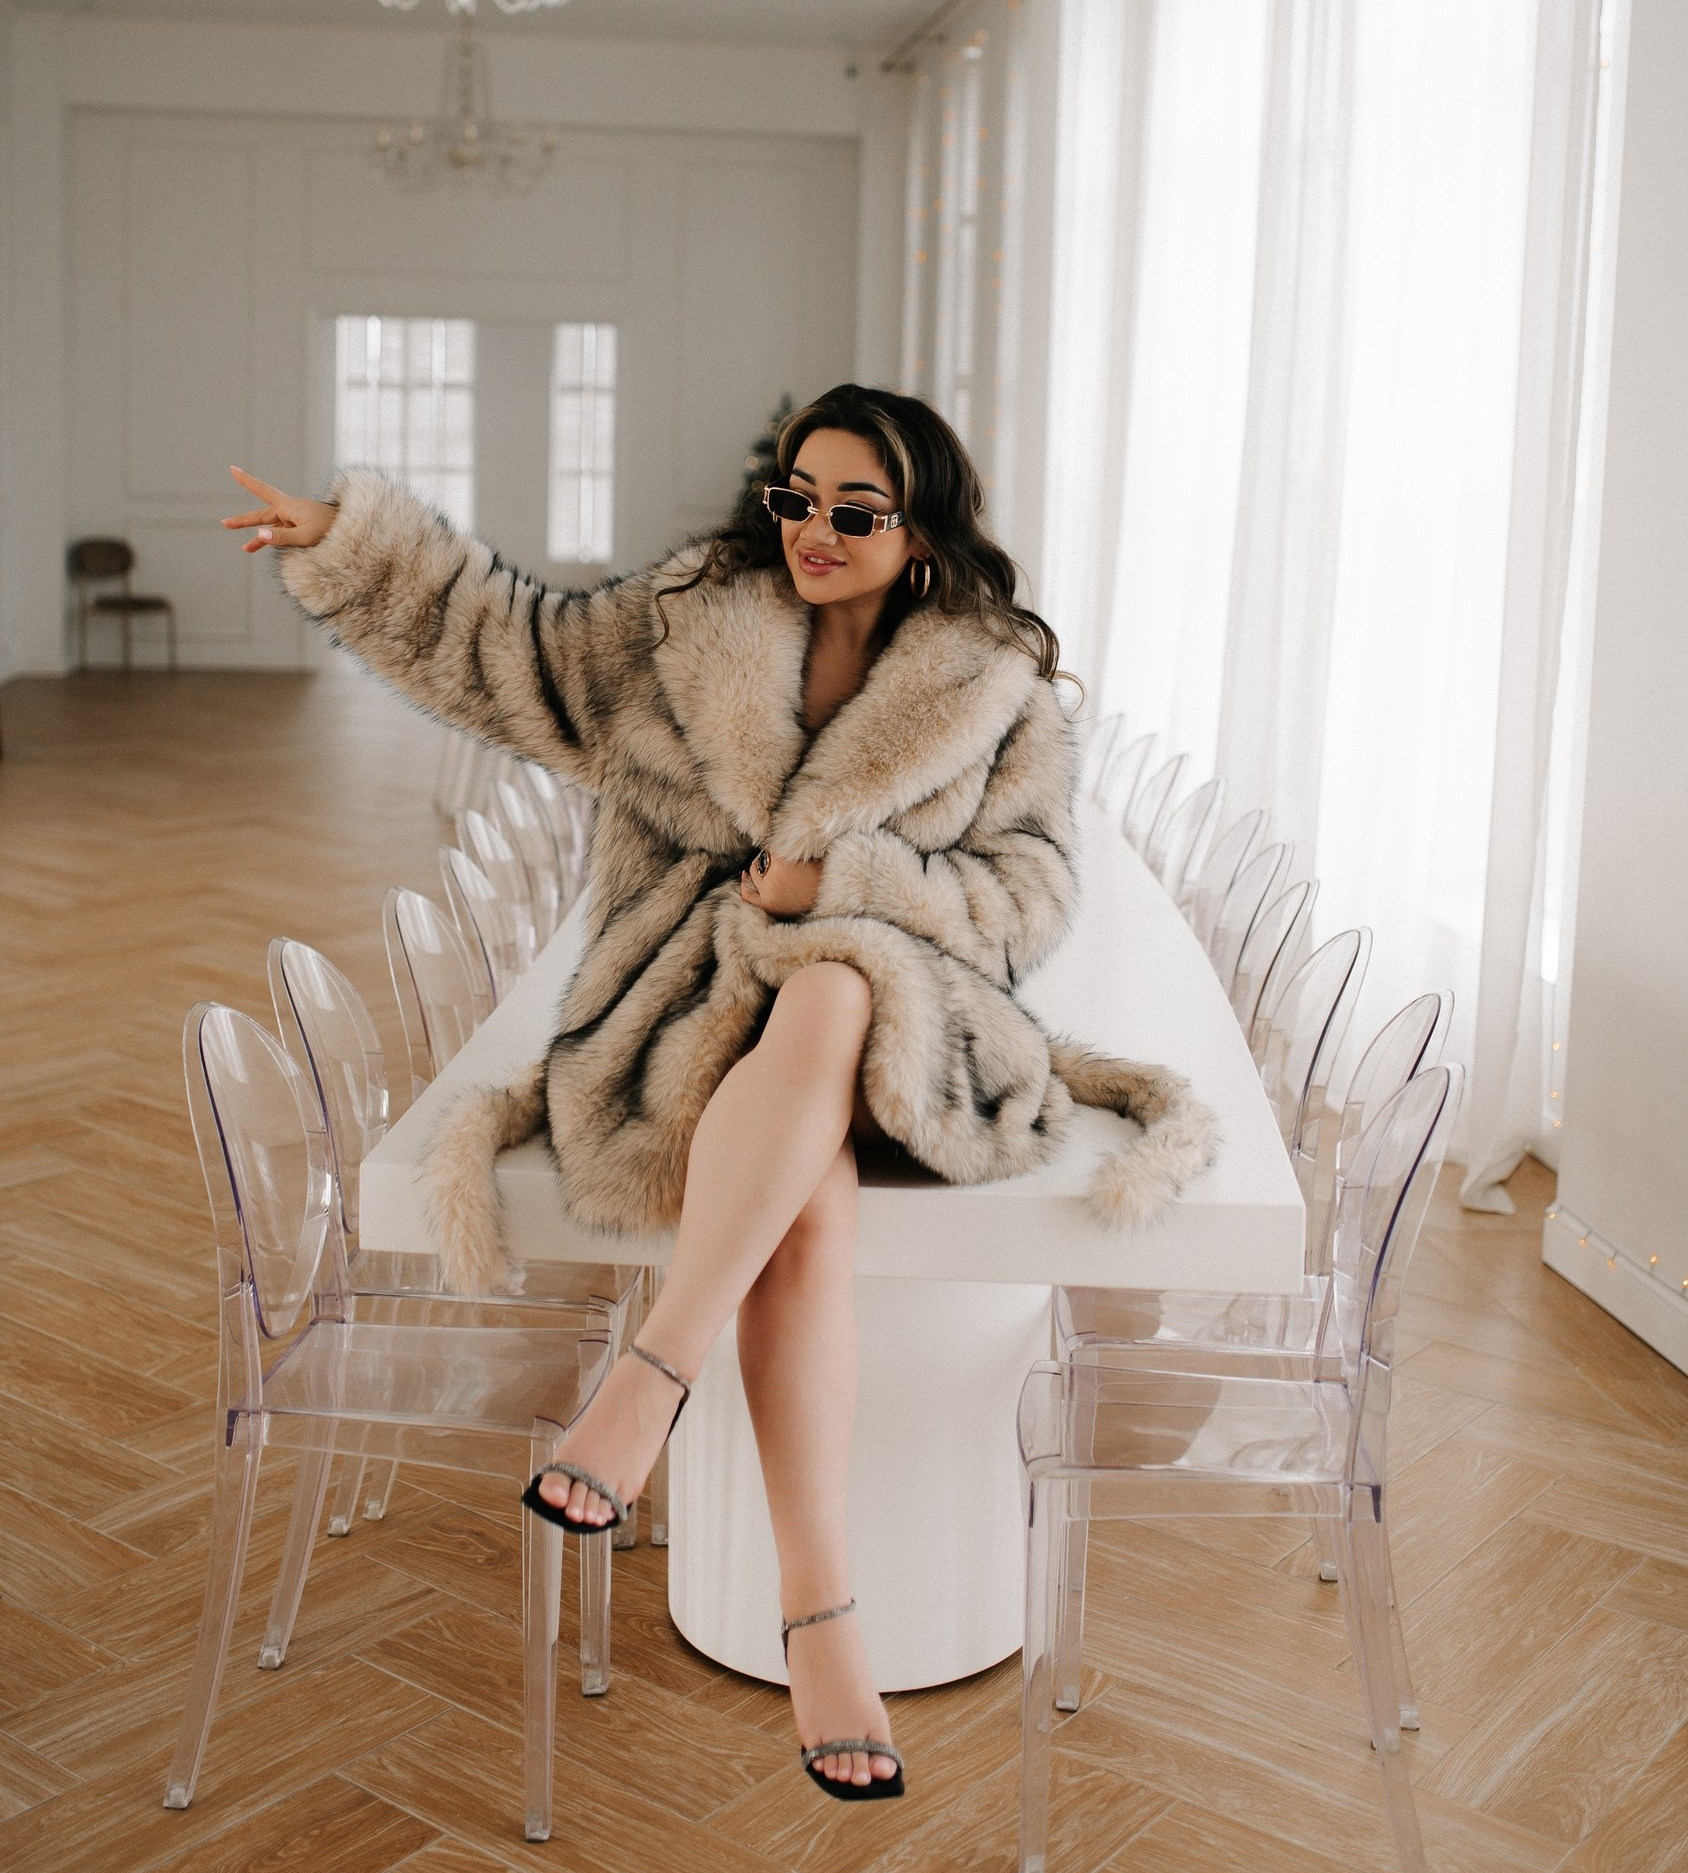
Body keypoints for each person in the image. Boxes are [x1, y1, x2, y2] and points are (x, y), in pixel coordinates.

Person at [223, 383, 1211, 1800]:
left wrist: (847, 885)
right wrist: (350, 543)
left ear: (922, 532)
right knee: (807, 1205)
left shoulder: (1000, 689)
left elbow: (1030, 898)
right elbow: (508, 649)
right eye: (796, 499)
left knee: (837, 983)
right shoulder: (684, 622)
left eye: (856, 510)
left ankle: (652, 1374)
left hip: (913, 1040)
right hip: (685, 1022)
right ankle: (822, 1610)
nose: (815, 530)